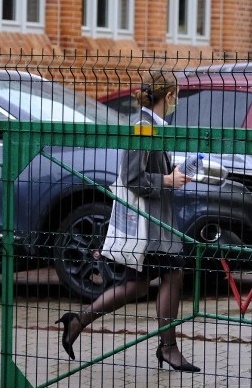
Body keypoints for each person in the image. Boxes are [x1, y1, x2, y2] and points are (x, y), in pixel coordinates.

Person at [56, 70, 200, 372]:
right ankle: (168, 348)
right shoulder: (143, 128)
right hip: (150, 225)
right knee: (171, 275)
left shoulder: (152, 126)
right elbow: (133, 178)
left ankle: (78, 320)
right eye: (177, 96)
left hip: (155, 223)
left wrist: (172, 174)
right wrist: (168, 180)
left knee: (136, 286)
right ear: (169, 96)